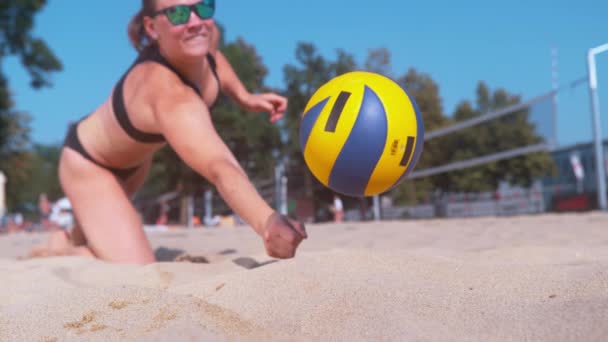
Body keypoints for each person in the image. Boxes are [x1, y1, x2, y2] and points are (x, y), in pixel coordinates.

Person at [33, 0, 307, 264]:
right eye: (178, 14)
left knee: (101, 235)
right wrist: (267, 223)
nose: (196, 22)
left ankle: (73, 238)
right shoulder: (169, 95)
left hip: (135, 160)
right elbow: (218, 165)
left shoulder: (205, 38)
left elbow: (215, 61)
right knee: (136, 267)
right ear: (152, 28)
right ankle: (62, 251)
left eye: (203, 7)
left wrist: (246, 97)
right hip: (90, 164)